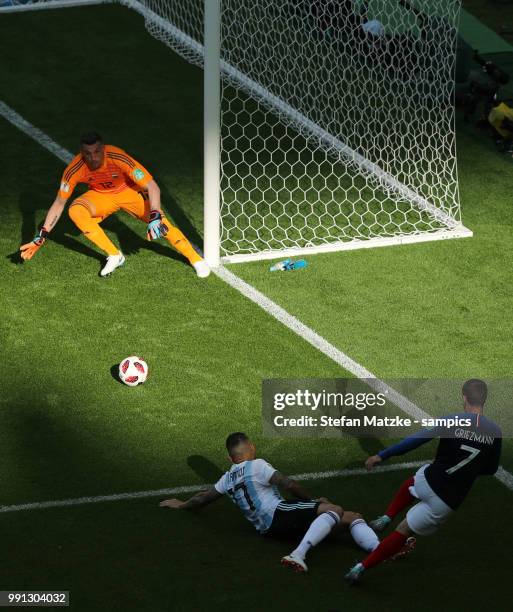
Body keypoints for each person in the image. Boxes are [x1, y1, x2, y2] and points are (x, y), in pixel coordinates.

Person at [345, 379, 502, 584]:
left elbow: (416, 440)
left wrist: (381, 455)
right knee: (403, 532)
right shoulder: (496, 432)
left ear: (463, 396)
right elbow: (490, 469)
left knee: (414, 480)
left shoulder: (452, 420)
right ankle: (360, 569)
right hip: (446, 501)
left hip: (428, 480)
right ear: (485, 400)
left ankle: (385, 517)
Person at [160, 432, 382, 573]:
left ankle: (380, 550)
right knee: (334, 509)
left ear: (230, 459)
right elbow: (289, 485)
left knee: (353, 517)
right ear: (252, 448)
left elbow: (203, 498)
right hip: (280, 513)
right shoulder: (257, 465)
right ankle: (298, 555)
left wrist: (181, 504)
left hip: (269, 531)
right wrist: (314, 502)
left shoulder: (227, 479)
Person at [20, 131, 210, 278]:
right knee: (76, 211)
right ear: (81, 152)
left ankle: (195, 259)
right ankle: (114, 255)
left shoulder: (118, 157)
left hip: (130, 191)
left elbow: (153, 187)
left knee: (161, 224)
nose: (92, 157)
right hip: (101, 196)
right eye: (87, 153)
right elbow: (59, 202)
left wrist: (154, 215)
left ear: (103, 149)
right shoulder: (75, 169)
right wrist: (42, 235)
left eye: (96, 152)